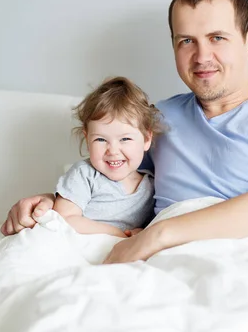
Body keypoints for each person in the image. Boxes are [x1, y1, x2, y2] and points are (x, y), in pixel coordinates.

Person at [1, 0, 248, 264]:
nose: (202, 56)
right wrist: (53, 202)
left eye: (217, 38)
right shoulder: (158, 118)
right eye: (186, 41)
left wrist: (159, 235)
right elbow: (116, 178)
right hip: (166, 266)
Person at [45, 76, 162, 238]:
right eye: (100, 139)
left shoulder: (150, 187)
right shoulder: (84, 175)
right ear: (87, 140)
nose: (113, 151)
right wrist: (117, 233)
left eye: (125, 139)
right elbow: (65, 219)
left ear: (147, 139)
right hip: (77, 243)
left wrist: (140, 233)